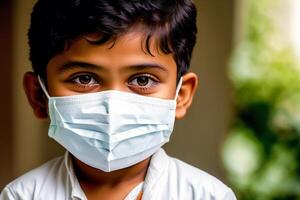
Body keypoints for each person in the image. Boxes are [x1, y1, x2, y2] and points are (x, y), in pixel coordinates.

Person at [0, 0, 237, 199]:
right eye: (84, 79)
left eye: (143, 80)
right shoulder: (21, 195)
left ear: (181, 96)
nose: (112, 107)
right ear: (39, 96)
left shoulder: (208, 195)